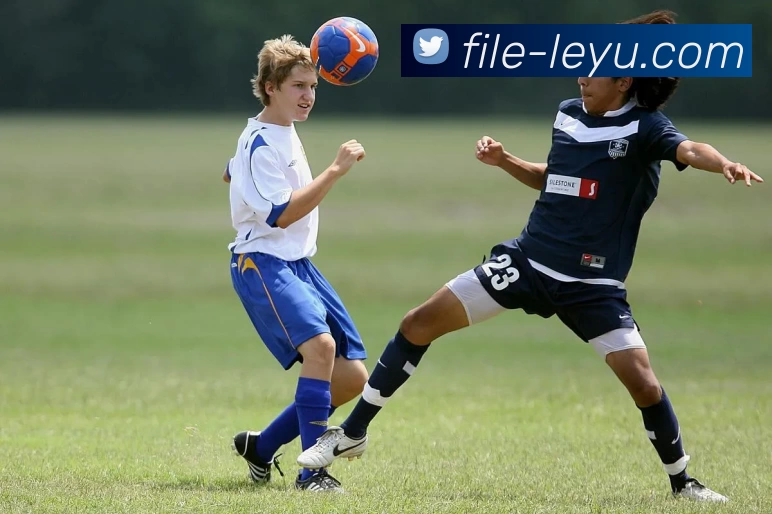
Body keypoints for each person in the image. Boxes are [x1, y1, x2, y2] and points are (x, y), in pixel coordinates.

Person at [295, 10, 763, 503]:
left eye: (595, 70)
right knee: (417, 323)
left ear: (624, 82)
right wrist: (505, 161)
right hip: (527, 262)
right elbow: (556, 178)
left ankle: (683, 482)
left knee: (644, 385)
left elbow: (690, 149)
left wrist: (724, 164)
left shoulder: (646, 129)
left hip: (591, 286)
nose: (582, 76)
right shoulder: (568, 114)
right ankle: (353, 432)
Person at [223, 34, 369, 492]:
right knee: (320, 349)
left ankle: (262, 447)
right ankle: (312, 474)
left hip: (298, 263)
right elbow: (281, 214)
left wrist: (235, 170)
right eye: (298, 86)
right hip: (262, 262)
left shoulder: (279, 131)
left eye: (313, 87)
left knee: (351, 378)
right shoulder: (260, 142)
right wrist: (335, 170)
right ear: (270, 87)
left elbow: (234, 168)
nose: (308, 96)